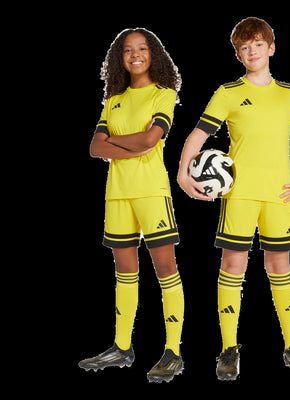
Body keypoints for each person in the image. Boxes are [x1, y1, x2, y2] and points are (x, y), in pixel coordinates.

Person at [178, 17, 290, 379]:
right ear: (238, 55)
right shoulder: (228, 93)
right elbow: (197, 135)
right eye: (244, 47)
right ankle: (228, 350)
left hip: (278, 197)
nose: (252, 51)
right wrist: (183, 173)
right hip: (240, 196)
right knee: (233, 266)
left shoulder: (288, 94)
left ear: (271, 48)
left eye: (258, 44)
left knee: (280, 266)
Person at [79, 28, 184, 383]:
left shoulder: (164, 94)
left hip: (151, 192)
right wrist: (133, 143)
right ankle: (122, 347)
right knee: (124, 271)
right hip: (117, 194)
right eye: (127, 50)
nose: (135, 54)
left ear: (153, 54)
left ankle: (173, 351)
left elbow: (151, 139)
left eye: (142, 48)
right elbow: (95, 148)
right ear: (119, 58)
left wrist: (117, 142)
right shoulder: (114, 100)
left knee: (165, 268)